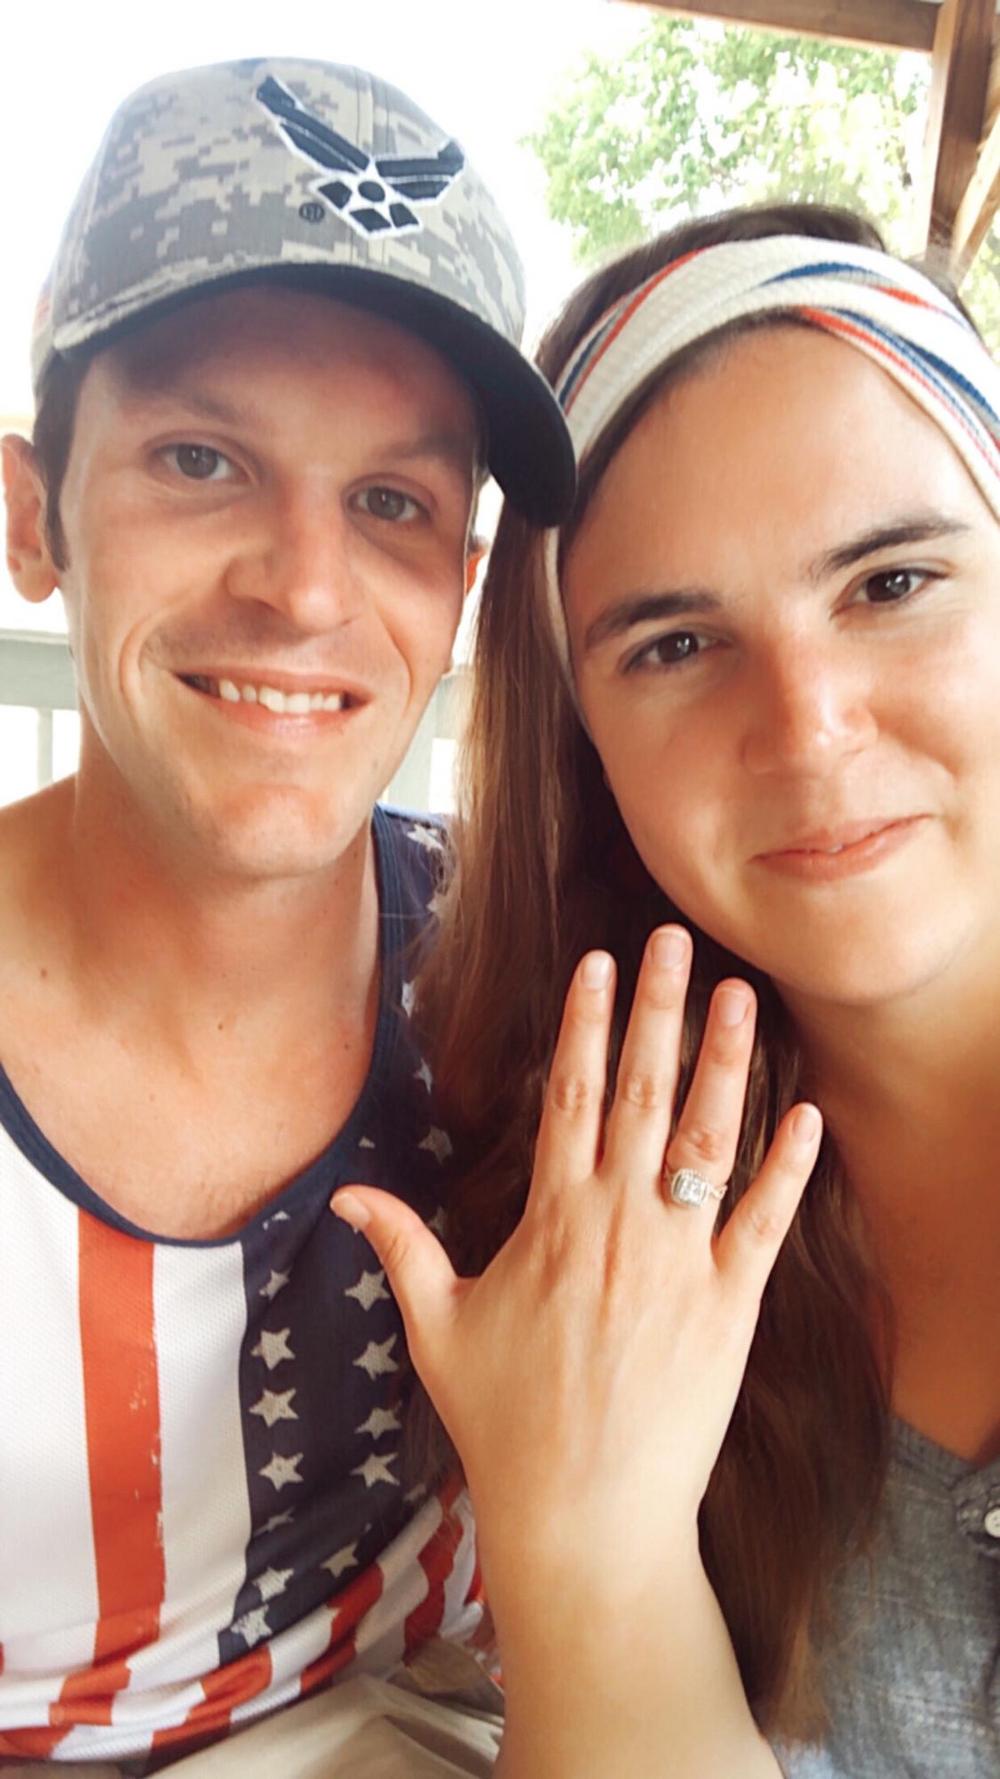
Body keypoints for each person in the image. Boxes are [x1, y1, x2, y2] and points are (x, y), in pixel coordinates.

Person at [333, 204, 1000, 1778]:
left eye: (892, 581)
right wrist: (589, 1545)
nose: (809, 727)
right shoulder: (581, 1234)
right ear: (584, 745)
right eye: (678, 644)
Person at [0, 55, 572, 1773]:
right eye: (201, 459)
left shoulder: (532, 971)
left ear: (460, 585)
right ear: (32, 516)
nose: (306, 588)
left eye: (393, 503)